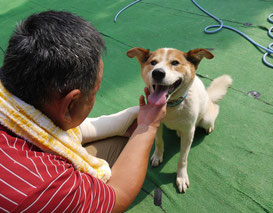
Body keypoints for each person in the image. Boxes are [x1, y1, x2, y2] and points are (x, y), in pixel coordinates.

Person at [0, 11, 166, 212]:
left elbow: (52, 128)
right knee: (127, 144)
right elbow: (117, 197)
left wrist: (123, 121)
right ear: (71, 104)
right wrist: (148, 126)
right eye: (95, 90)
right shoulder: (44, 188)